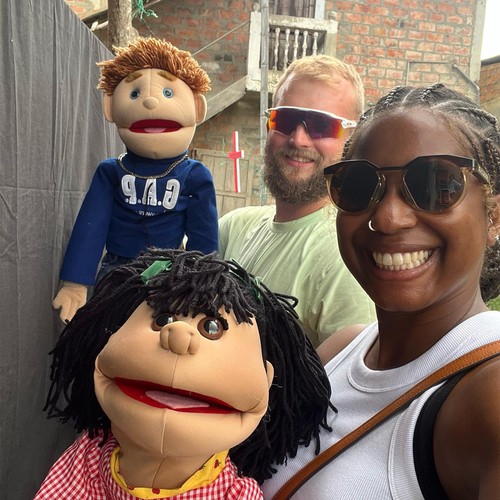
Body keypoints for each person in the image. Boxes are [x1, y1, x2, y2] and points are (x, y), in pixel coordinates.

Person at [262, 83, 500, 499]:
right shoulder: (339, 350)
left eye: (436, 185)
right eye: (357, 186)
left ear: (494, 216)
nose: (388, 218)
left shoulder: (489, 393)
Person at [37, 249, 332, 498]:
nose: (178, 335)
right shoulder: (87, 455)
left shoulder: (236, 495)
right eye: (163, 318)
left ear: (267, 379)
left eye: (212, 327)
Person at [52, 38, 218, 323]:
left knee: (158, 337)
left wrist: (203, 284)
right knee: (107, 331)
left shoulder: (194, 175)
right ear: (110, 107)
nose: (150, 102)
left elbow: (204, 236)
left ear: (197, 108)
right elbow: (91, 226)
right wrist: (75, 282)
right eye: (134, 93)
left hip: (168, 275)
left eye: (168, 92)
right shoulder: (111, 171)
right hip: (116, 271)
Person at [218, 55, 376, 347]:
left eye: (321, 125)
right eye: (286, 120)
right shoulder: (232, 228)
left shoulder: (347, 258)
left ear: (353, 141)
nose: (298, 139)